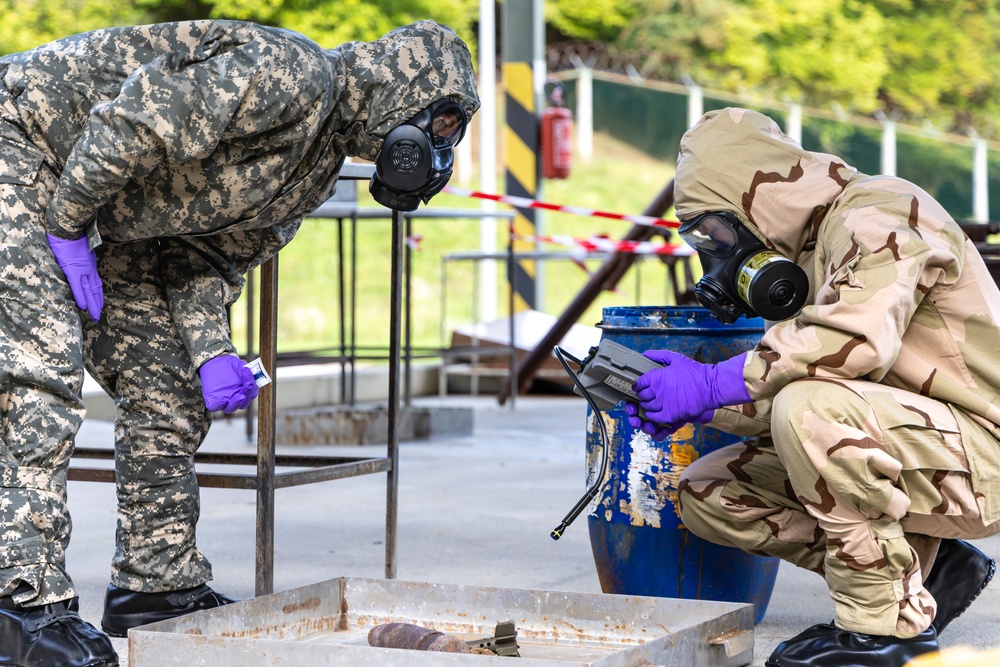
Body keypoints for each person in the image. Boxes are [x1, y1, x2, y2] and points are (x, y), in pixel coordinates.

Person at [0, 18, 479, 667]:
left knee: (166, 386)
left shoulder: (314, 168)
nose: (437, 148)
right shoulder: (294, 75)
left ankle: (155, 583)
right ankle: (19, 600)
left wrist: (211, 351)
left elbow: (203, 259)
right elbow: (138, 114)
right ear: (404, 88)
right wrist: (67, 224)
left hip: (102, 208)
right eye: (441, 122)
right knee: (43, 371)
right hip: (24, 142)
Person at [625, 108, 1000, 667]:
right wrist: (698, 408)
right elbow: (816, 377)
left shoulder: (881, 211)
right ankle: (922, 573)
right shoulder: (813, 250)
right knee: (708, 491)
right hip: (924, 446)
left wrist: (710, 382)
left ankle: (885, 633)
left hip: (983, 452)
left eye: (719, 232)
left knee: (809, 409)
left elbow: (849, 343)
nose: (717, 256)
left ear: (759, 198)